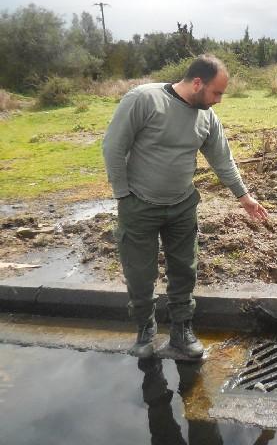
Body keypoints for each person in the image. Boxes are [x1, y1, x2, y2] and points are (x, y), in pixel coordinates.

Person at [102, 54, 268, 359]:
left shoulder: (207, 117)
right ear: (196, 83)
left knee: (184, 271)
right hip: (139, 205)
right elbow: (113, 146)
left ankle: (181, 332)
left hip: (182, 206)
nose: (219, 100)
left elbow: (222, 158)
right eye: (216, 92)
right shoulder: (144, 100)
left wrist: (243, 196)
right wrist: (123, 195)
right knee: (139, 273)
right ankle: (145, 329)